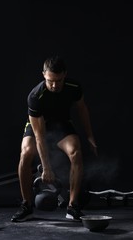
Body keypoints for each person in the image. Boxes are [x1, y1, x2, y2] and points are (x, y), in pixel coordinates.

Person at [11, 56, 97, 222]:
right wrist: (46, 168)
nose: (55, 85)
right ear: (44, 75)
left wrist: (90, 135)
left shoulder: (74, 87)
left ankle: (72, 206)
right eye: (51, 81)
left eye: (58, 80)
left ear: (65, 74)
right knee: (26, 153)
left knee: (76, 151)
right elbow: (39, 135)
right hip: (38, 126)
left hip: (61, 124)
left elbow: (82, 109)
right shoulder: (35, 96)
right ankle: (26, 206)